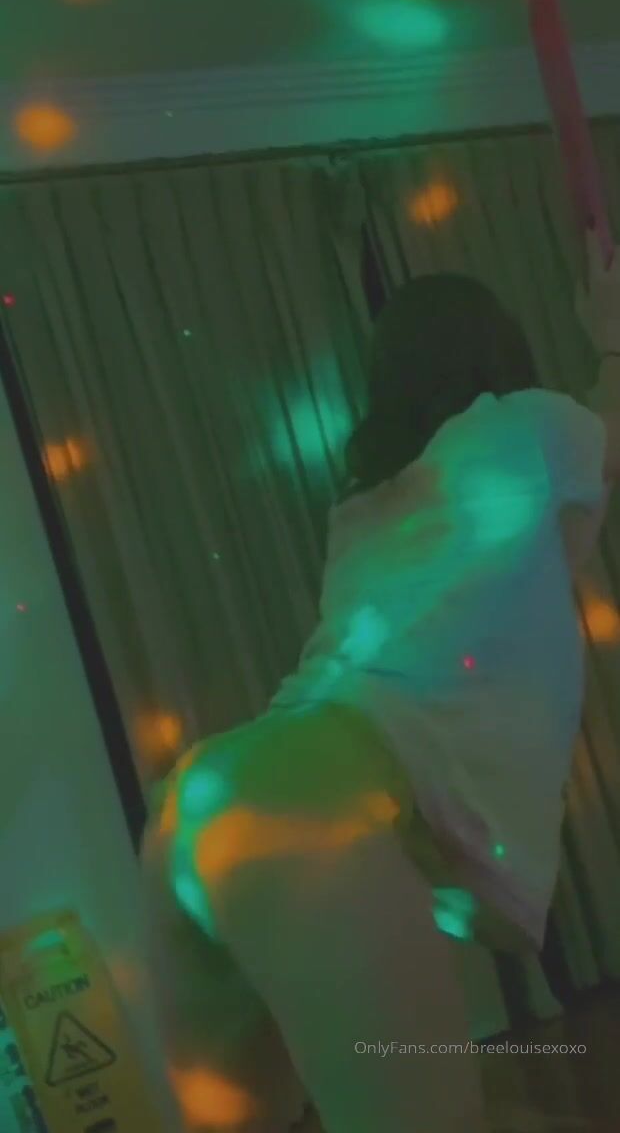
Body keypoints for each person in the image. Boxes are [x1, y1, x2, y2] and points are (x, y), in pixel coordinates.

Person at [141, 230, 620, 1133]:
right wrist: (612, 338)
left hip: (191, 813)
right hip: (303, 813)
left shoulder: (366, 510)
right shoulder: (523, 426)